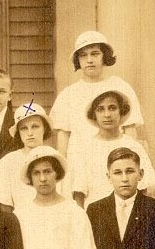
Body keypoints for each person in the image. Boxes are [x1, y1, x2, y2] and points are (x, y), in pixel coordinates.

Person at [49, 31, 145, 160]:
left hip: (114, 161)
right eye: (83, 55)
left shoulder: (120, 87)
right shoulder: (68, 95)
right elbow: (63, 140)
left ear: (104, 56)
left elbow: (130, 132)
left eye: (95, 54)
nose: (89, 60)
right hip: (80, 163)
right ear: (78, 60)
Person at [69, 89, 155, 210]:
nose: (107, 114)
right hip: (96, 216)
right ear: (94, 115)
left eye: (112, 108)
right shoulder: (86, 149)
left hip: (130, 213)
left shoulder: (132, 145)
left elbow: (146, 187)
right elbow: (79, 193)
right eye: (100, 109)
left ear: (121, 111)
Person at [0, 103, 56, 211]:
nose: (30, 133)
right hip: (20, 223)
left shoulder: (56, 158)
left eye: (35, 126)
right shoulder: (7, 162)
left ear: (44, 128)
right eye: (24, 128)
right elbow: (5, 206)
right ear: (18, 132)